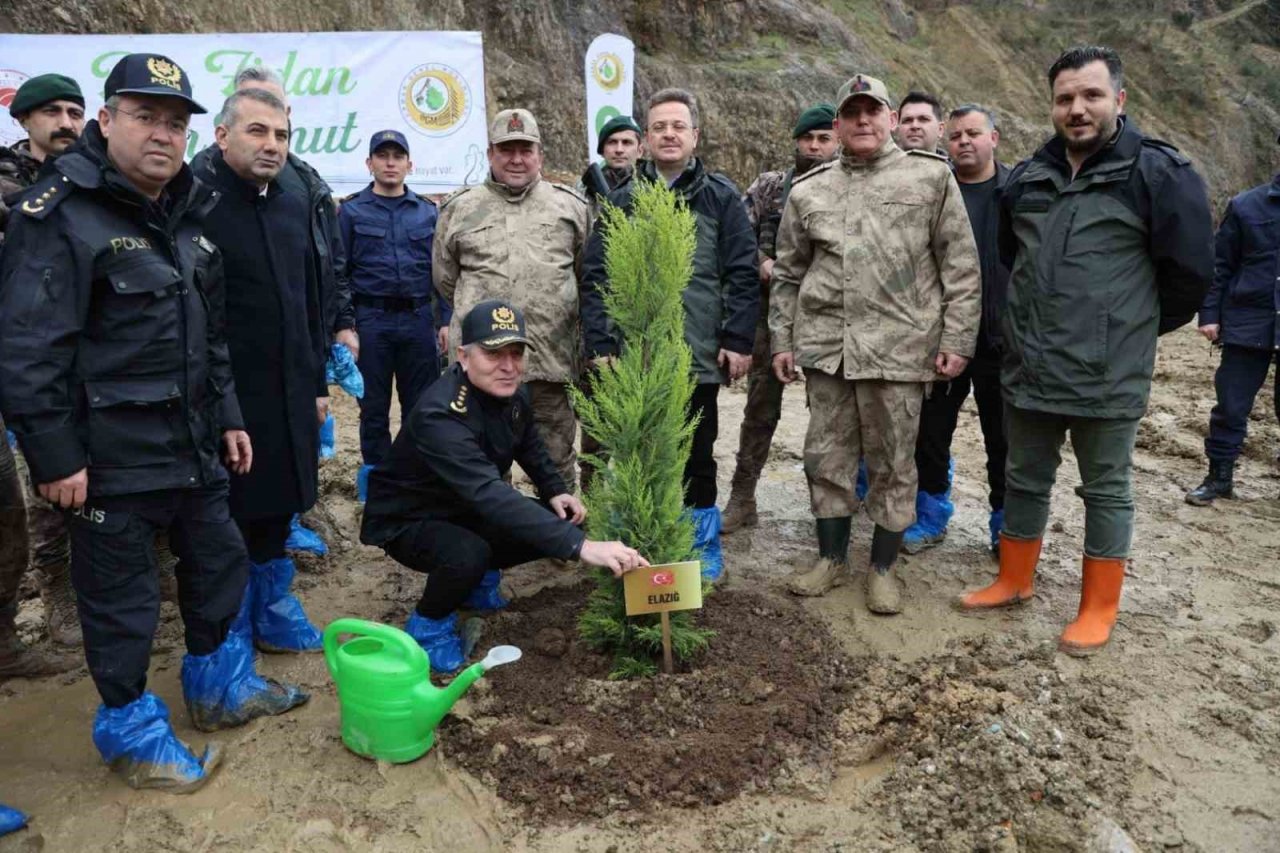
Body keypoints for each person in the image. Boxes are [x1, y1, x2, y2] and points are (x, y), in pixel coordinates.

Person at [0, 53, 306, 791]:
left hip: (195, 446)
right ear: (106, 122)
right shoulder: (58, 217)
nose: (162, 134)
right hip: (108, 460)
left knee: (219, 563)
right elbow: (28, 348)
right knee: (125, 601)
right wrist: (54, 457)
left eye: (175, 121)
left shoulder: (190, 215)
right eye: (145, 117)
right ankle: (132, 731)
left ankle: (218, 686)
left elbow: (212, 336)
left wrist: (229, 415)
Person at [957, 46, 1213, 655]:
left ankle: (1098, 606)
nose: (1078, 109)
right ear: (1052, 106)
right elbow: (1011, 258)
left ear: (1118, 101)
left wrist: (1120, 330)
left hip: (1107, 373)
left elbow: (1187, 277)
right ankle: (1014, 578)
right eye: (1066, 98)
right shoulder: (1029, 177)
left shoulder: (1159, 175)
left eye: (1091, 96)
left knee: (1105, 490)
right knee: (1023, 478)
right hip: (1031, 364)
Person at [770, 73, 980, 615]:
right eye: (852, 113)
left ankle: (883, 568)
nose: (863, 121)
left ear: (890, 118)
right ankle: (830, 558)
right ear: (837, 125)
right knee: (826, 457)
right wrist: (782, 340)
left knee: (893, 462)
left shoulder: (930, 179)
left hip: (900, 350)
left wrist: (958, 337)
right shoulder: (809, 189)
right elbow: (790, 273)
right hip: (828, 350)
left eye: (873, 111)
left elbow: (960, 266)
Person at [361, 300, 649, 672]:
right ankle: (428, 626)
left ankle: (475, 585)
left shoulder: (513, 392)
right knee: (468, 553)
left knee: (555, 517)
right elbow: (489, 493)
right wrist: (582, 547)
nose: (509, 366)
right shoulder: (441, 414)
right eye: (494, 353)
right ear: (463, 356)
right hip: (410, 519)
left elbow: (527, 442)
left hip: (463, 506)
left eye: (516, 353)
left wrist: (554, 489)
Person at [582, 87, 759, 582]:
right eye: (658, 126)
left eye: (678, 126)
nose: (668, 134)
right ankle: (639, 544)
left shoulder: (721, 197)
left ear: (695, 136)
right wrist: (601, 344)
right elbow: (596, 278)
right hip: (634, 357)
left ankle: (700, 551)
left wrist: (738, 340)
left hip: (696, 355)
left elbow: (742, 274)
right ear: (644, 140)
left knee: (696, 454)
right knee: (636, 454)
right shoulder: (621, 200)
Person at [194, 87, 335, 653]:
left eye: (281, 135)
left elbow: (310, 294)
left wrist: (318, 380)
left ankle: (272, 608)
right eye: (257, 131)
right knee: (228, 512)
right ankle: (229, 630)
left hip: (292, 381)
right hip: (227, 389)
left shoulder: (294, 195)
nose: (271, 145)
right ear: (222, 135)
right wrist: (220, 402)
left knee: (284, 496)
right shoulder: (197, 199)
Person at [435, 109, 590, 504]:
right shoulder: (460, 208)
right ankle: (490, 539)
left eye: (526, 149)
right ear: (490, 153)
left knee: (555, 459)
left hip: (548, 362)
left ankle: (559, 539)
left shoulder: (570, 207)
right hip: (481, 368)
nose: (516, 159)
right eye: (507, 150)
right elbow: (446, 279)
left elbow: (583, 271)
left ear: (540, 154)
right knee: (481, 460)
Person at [0, 74, 87, 675]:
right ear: (24, 119)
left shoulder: (94, 178)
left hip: (76, 353)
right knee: (28, 486)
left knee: (79, 468)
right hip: (17, 351)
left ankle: (79, 589)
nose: (65, 122)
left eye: (75, 112)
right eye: (52, 111)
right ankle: (53, 591)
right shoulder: (9, 185)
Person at [722, 103, 839, 533]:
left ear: (838, 140)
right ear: (796, 141)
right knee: (759, 410)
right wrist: (762, 263)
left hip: (828, 319)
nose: (814, 146)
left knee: (830, 416)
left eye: (823, 138)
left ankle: (829, 508)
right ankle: (742, 496)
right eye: (807, 138)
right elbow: (736, 236)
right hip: (771, 317)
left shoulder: (846, 187)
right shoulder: (771, 187)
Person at [902, 104, 1012, 555]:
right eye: (956, 136)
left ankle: (1005, 527)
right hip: (940, 337)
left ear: (994, 138)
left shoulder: (1019, 192)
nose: (964, 142)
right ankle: (930, 515)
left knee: (1003, 439)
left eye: (974, 133)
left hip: (1003, 341)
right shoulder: (934, 189)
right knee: (930, 434)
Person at [339, 129, 444, 486]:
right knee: (373, 408)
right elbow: (339, 272)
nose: (389, 162)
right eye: (382, 156)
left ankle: (416, 478)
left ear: (409, 164)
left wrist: (444, 321)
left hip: (418, 320)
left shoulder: (428, 213)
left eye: (397, 156)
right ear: (369, 164)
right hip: (372, 322)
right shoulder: (351, 212)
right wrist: (345, 324)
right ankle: (378, 481)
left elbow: (441, 273)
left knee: (422, 406)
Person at [1185, 138, 1280, 506]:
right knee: (1231, 406)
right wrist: (1209, 314)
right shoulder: (1246, 205)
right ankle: (1218, 478)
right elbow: (1221, 264)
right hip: (1248, 321)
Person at [578, 114, 643, 215]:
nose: (619, 150)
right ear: (602, 151)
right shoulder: (583, 189)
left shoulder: (652, 186)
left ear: (640, 151)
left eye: (626, 142)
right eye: (612, 142)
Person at [895, 91, 945, 155]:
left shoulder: (950, 165)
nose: (914, 126)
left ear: (940, 129)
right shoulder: (881, 164)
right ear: (897, 128)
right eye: (907, 120)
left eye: (923, 119)